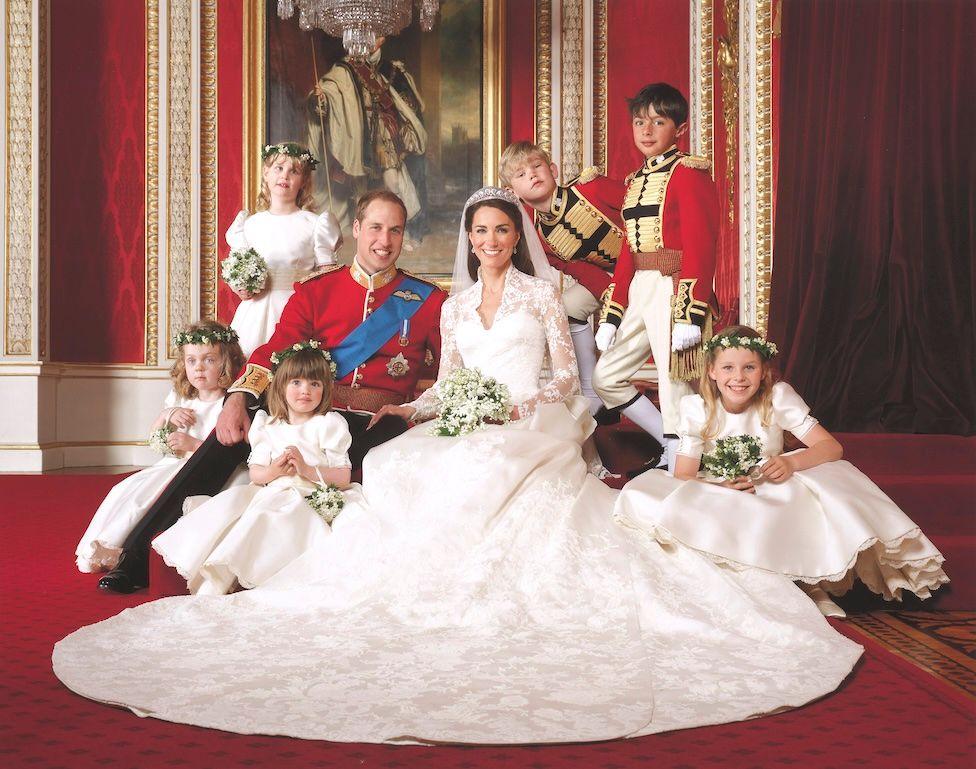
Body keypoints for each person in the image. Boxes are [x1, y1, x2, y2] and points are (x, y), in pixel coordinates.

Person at [54, 189, 862, 744]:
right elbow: (439, 382)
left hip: (525, 419)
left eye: (501, 231)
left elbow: (559, 378)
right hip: (415, 409)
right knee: (401, 464)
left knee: (468, 466)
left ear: (515, 236)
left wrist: (502, 406)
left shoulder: (507, 299)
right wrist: (409, 408)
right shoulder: (410, 299)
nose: (489, 243)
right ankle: (167, 553)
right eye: (477, 233)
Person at [96, 190, 445, 594]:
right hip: (307, 409)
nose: (384, 241)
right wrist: (237, 400)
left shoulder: (428, 300)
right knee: (229, 436)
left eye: (395, 230)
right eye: (375, 228)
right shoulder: (317, 291)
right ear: (356, 229)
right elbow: (273, 351)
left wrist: (416, 410)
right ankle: (138, 554)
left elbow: (447, 370)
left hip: (374, 423)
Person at [613, 325, 949, 617]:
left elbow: (831, 448)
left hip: (768, 484)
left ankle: (811, 584)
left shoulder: (777, 399)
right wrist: (720, 487)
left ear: (762, 371)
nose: (738, 377)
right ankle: (754, 585)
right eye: (728, 368)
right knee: (650, 495)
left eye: (749, 368)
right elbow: (684, 475)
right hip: (720, 486)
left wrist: (790, 462)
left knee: (804, 492)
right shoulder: (697, 409)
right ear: (712, 372)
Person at [153, 344, 356, 595]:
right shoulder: (267, 425)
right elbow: (257, 474)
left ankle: (258, 578)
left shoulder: (329, 424)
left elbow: (344, 476)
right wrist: (275, 471)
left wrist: (306, 469)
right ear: (280, 386)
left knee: (275, 517)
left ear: (325, 389)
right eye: (296, 383)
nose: (305, 391)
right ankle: (222, 578)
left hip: (311, 494)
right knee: (235, 512)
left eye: (315, 384)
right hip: (273, 490)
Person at [593, 83, 719, 472]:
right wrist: (613, 314)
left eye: (658, 122)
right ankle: (668, 441)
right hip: (641, 287)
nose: (646, 131)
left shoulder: (689, 173)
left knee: (673, 378)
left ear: (678, 129)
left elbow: (702, 247)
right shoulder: (634, 181)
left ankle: (680, 453)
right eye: (639, 122)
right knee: (606, 376)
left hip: (675, 285)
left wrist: (689, 313)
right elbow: (628, 251)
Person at [75, 321, 247, 573]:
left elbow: (228, 453)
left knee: (152, 495)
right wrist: (168, 415)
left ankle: (131, 550)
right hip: (171, 463)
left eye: (209, 360)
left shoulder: (229, 404)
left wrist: (192, 445)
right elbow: (157, 438)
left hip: (201, 471)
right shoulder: (181, 399)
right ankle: (110, 546)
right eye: (191, 361)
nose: (198, 368)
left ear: (227, 362)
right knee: (125, 489)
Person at [500, 141, 644, 421]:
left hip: (649, 265)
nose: (532, 174)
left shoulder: (591, 188)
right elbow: (584, 271)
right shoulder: (540, 236)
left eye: (537, 166)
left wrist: (620, 298)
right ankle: (593, 394)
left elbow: (641, 217)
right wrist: (614, 296)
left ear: (552, 169)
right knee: (563, 311)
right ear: (512, 193)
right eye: (521, 174)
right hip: (612, 278)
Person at [225, 141, 341, 357]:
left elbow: (327, 278)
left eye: (294, 171)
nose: (285, 176)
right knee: (250, 364)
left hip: (296, 310)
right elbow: (238, 268)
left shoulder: (315, 224)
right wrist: (241, 286)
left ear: (303, 180)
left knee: (291, 369)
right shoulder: (250, 224)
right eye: (279, 168)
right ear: (266, 173)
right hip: (256, 311)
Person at [307, 41, 427, 231]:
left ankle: (397, 227)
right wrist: (322, 99)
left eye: (377, 34)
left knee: (393, 181)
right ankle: (363, 230)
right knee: (360, 188)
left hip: (382, 132)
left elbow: (406, 103)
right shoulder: (344, 69)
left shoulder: (391, 69)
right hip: (359, 135)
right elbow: (330, 92)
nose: (372, 39)